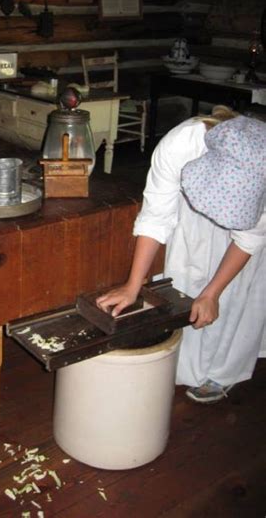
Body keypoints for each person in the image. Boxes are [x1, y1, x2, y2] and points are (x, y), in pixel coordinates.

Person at [96, 107, 266, 403]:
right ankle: (184, 364)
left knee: (234, 292)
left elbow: (248, 238)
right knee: (184, 278)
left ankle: (224, 370)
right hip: (189, 210)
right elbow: (155, 216)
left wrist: (213, 293)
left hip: (250, 225)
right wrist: (133, 285)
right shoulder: (181, 144)